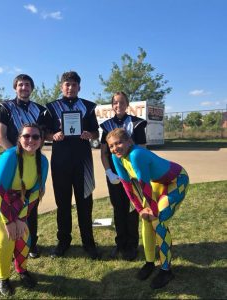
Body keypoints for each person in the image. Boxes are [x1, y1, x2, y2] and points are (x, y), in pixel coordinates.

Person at [106, 128, 189, 289]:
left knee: (159, 221)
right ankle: (149, 263)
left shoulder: (137, 154)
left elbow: (144, 185)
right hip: (157, 182)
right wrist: (140, 210)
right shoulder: (116, 157)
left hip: (177, 180)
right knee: (146, 221)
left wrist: (152, 210)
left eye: (119, 143)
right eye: (111, 146)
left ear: (129, 141)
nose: (115, 148)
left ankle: (166, 270)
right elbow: (127, 186)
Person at [0, 124, 49, 296]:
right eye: (26, 136)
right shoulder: (10, 156)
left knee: (24, 235)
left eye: (36, 137)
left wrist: (21, 219)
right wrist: (9, 221)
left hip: (17, 197)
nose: (30, 140)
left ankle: (21, 270)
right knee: (5, 238)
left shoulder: (43, 161)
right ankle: (4, 278)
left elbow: (36, 192)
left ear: (41, 141)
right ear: (19, 138)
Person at [44, 71, 100, 260]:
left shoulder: (89, 106)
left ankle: (88, 242)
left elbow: (96, 133)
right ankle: (63, 242)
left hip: (83, 161)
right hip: (60, 162)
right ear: (61, 86)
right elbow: (45, 134)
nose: (70, 87)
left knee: (85, 203)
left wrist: (90, 135)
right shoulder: (51, 107)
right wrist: (54, 136)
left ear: (79, 87)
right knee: (63, 204)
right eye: (67, 84)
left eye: (74, 84)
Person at [0, 74, 46, 259]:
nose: (24, 87)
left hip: (34, 160)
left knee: (31, 203)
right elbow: (1, 137)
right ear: (15, 88)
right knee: (8, 202)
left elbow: (43, 135)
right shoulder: (6, 107)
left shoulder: (40, 110)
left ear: (32, 88)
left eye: (27, 85)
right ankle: (10, 243)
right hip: (12, 160)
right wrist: (18, 157)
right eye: (20, 84)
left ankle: (31, 244)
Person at [100, 91, 147, 261]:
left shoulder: (136, 124)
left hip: (133, 176)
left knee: (133, 209)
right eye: (115, 103)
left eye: (121, 102)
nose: (118, 105)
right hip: (115, 175)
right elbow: (104, 153)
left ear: (127, 104)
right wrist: (108, 172)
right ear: (112, 105)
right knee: (118, 208)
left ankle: (132, 245)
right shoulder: (106, 126)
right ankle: (120, 243)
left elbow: (142, 150)